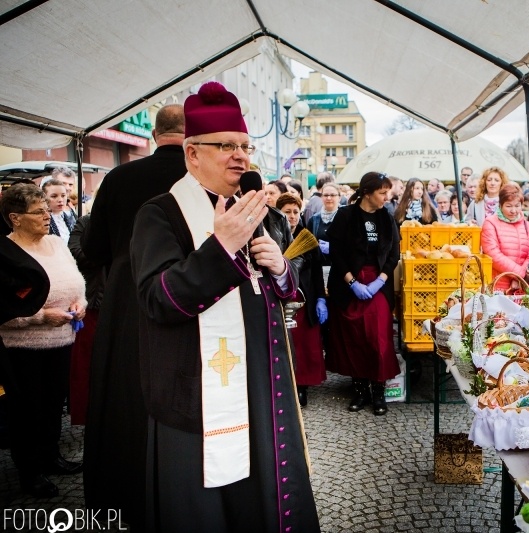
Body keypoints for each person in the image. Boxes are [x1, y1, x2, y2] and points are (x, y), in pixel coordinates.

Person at [129, 81, 319, 531]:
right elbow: (159, 299)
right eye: (226, 146)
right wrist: (221, 247)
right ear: (192, 153)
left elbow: (272, 294)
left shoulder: (247, 209)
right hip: (197, 395)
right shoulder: (159, 214)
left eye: (245, 146)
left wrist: (280, 272)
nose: (241, 156)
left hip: (259, 389)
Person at [81, 103, 187, 526]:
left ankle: (121, 493)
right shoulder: (200, 177)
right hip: (187, 302)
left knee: (124, 398)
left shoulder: (119, 177)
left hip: (128, 303)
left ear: (155, 134)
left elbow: (94, 249)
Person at [0, 184, 87, 498]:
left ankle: (52, 457)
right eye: (39, 212)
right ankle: (30, 470)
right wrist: (39, 317)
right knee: (27, 410)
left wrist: (81, 304)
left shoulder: (56, 244)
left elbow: (78, 283)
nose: (47, 216)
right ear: (16, 218)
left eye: (47, 210)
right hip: (23, 347)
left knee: (52, 404)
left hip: (62, 340)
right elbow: (3, 307)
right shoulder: (4, 253)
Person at [326, 172, 400, 417]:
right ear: (367, 192)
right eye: (382, 192)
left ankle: (378, 390)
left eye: (387, 193)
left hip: (378, 282)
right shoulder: (346, 215)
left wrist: (381, 280)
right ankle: (360, 390)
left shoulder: (387, 218)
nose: (386, 197)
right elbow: (336, 253)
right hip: (350, 283)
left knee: (379, 337)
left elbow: (393, 255)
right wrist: (352, 282)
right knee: (354, 337)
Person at [277, 193, 326, 407]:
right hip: (280, 298)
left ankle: (301, 387)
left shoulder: (307, 239)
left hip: (304, 299)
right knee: (284, 343)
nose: (292, 216)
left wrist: (320, 299)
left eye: (296, 212)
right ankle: (282, 386)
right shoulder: (272, 236)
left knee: (304, 344)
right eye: (287, 212)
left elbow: (316, 273)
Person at [67, 214, 104, 426]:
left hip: (123, 303)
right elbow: (76, 252)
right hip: (92, 303)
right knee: (86, 365)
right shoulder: (87, 222)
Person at [480, 183, 529, 292]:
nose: (513, 210)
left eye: (517, 206)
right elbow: (493, 254)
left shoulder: (527, 225)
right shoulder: (490, 223)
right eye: (508, 206)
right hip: (498, 284)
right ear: (500, 205)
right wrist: (519, 275)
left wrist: (522, 277)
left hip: (522, 287)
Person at [43, 178, 73, 243]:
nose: (60, 200)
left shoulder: (71, 217)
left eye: (63, 195)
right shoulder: (42, 220)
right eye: (54, 196)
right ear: (44, 197)